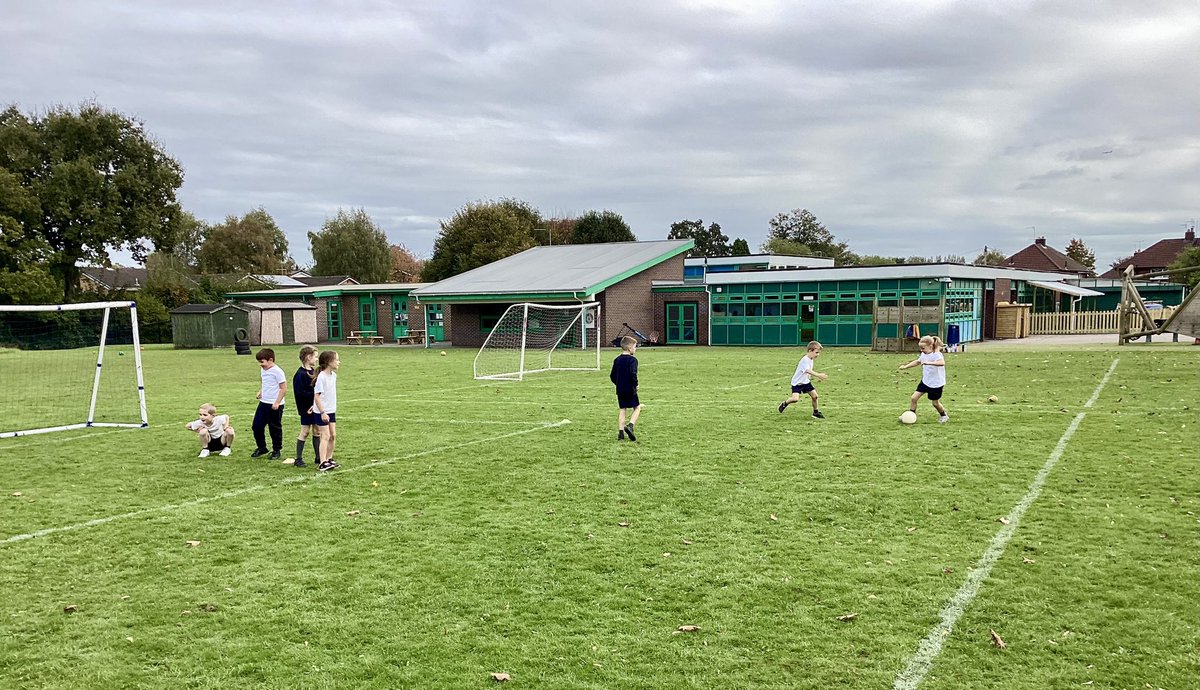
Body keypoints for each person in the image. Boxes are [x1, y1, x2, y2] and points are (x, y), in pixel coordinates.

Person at [898, 335, 949, 423]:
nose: (921, 350)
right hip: (925, 382)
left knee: (935, 403)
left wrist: (929, 362)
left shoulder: (936, 355)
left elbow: (942, 363)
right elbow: (918, 361)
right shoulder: (923, 354)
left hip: (936, 384)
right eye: (920, 348)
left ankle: (944, 415)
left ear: (930, 346)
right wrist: (905, 367)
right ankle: (911, 415)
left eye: (923, 348)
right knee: (914, 398)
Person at [251, 348, 287, 460]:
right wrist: (261, 391)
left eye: (262, 362)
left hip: (274, 405)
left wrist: (277, 402)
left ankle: (277, 450)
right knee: (256, 426)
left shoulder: (278, 371)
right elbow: (265, 382)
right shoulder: (264, 370)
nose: (260, 365)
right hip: (263, 403)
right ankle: (262, 447)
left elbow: (283, 388)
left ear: (270, 360)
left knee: (274, 428)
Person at [778, 341, 829, 419]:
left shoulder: (811, 359)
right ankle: (785, 403)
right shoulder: (804, 360)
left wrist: (808, 378)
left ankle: (816, 412)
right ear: (810, 351)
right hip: (797, 383)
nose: (818, 355)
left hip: (805, 382)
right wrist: (818, 375)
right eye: (816, 352)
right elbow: (807, 370)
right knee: (795, 399)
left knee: (815, 396)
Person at [291, 345, 321, 469]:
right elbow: (300, 393)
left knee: (317, 430)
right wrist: (312, 400)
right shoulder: (300, 374)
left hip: (314, 406)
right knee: (305, 431)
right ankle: (298, 459)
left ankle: (319, 456)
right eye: (315, 356)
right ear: (308, 357)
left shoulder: (313, 372)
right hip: (306, 407)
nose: (317, 359)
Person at [609, 335, 642, 441]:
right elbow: (633, 374)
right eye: (635, 347)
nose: (635, 349)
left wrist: (618, 384)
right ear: (629, 348)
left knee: (622, 409)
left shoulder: (617, 360)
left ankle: (621, 433)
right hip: (630, 389)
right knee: (637, 407)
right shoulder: (633, 360)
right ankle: (631, 426)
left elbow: (612, 376)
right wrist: (635, 385)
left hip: (620, 389)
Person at [313, 350, 341, 472]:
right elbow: (317, 396)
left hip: (331, 410)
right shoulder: (321, 377)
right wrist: (322, 412)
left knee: (333, 435)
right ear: (329, 362)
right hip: (321, 411)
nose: (339, 362)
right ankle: (322, 462)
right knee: (325, 435)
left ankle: (329, 459)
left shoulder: (333, 376)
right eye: (337, 360)